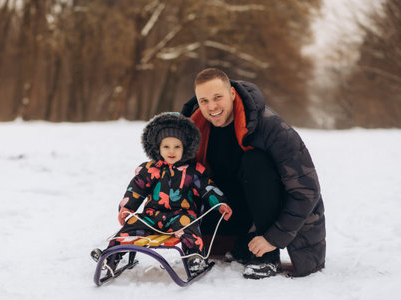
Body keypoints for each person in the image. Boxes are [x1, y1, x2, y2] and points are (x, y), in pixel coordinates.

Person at [181, 68, 326, 279]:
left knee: (255, 161)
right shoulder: (193, 129)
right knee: (196, 177)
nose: (211, 107)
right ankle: (241, 244)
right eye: (204, 101)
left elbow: (307, 190)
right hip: (230, 213)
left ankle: (266, 257)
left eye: (218, 97)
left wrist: (273, 238)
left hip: (271, 214)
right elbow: (171, 179)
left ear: (231, 94)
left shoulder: (271, 127)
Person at [97, 112, 232, 275]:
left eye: (177, 147)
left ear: (185, 148)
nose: (171, 151)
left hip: (180, 216)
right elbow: (136, 189)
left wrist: (219, 204)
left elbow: (207, 188)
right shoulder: (150, 170)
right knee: (133, 223)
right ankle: (111, 255)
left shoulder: (193, 171)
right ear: (158, 148)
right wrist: (127, 208)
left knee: (189, 226)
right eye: (166, 146)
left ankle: (194, 257)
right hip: (151, 217)